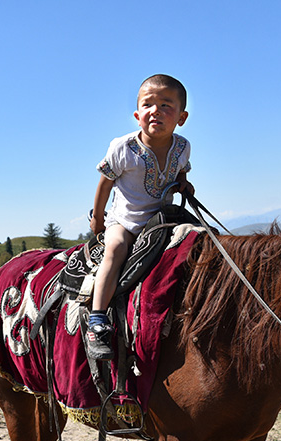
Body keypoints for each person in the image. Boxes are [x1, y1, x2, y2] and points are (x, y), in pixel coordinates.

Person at [86, 74, 195, 360]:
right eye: (148, 104)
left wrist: (183, 183)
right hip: (125, 220)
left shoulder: (182, 147)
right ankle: (97, 320)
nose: (155, 110)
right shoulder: (123, 148)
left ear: (181, 117)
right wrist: (98, 218)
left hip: (162, 220)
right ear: (137, 115)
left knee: (197, 242)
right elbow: (105, 182)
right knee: (116, 248)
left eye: (165, 105)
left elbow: (181, 169)